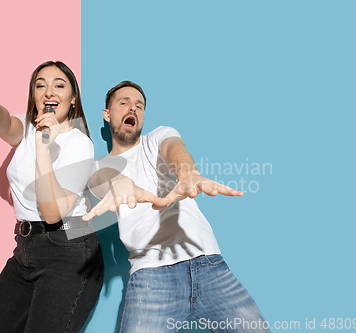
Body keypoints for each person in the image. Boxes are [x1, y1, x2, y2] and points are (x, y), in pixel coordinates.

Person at [84, 81, 270, 333]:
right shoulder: (97, 167)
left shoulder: (157, 137)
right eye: (124, 103)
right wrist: (120, 183)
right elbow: (102, 178)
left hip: (208, 264)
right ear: (107, 114)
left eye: (139, 105)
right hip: (151, 276)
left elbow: (174, 148)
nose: (133, 108)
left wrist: (188, 173)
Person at [0, 56, 104, 333]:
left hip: (69, 251)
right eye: (40, 85)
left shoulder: (79, 144)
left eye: (59, 85)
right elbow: (3, 122)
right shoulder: (27, 129)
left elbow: (53, 213)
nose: (49, 91)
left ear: (73, 98)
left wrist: (44, 148)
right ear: (33, 95)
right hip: (26, 249)